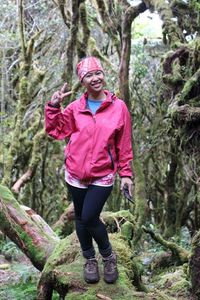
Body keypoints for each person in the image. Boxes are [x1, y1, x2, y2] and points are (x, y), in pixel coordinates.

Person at [45, 56, 133, 284]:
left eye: (98, 73)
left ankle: (108, 256)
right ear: (82, 81)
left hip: (102, 175)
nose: (95, 79)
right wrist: (53, 106)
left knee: (90, 216)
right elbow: (55, 131)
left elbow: (124, 144)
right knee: (81, 219)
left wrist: (126, 174)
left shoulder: (118, 107)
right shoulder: (75, 108)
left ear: (103, 75)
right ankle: (89, 259)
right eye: (88, 76)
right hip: (75, 174)